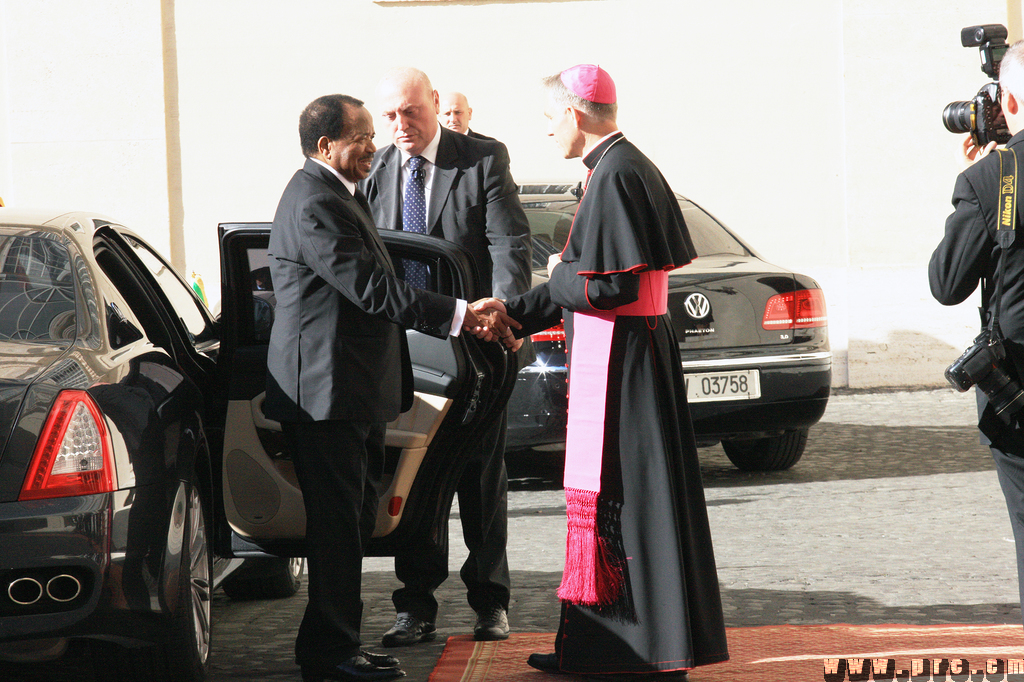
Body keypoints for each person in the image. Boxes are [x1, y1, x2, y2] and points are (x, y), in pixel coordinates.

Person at [476, 64, 729, 680]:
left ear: (574, 114)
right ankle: (596, 646)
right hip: (628, 352)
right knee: (620, 498)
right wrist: (513, 311)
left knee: (629, 499)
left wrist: (558, 269)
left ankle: (642, 649)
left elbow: (606, 284)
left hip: (627, 363)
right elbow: (585, 281)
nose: (545, 132)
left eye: (547, 118)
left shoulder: (617, 174)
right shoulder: (615, 168)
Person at [265, 94, 507, 682]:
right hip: (326, 399)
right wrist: (461, 315)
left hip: (350, 395)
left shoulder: (337, 195)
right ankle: (329, 654)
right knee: (335, 532)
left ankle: (339, 642)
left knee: (350, 525)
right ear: (326, 146)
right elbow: (373, 289)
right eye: (363, 136)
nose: (375, 145)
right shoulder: (314, 202)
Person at [361, 67, 532, 646]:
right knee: (418, 474)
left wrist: (509, 315)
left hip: (476, 345)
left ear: (435, 103)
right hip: (406, 350)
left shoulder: (481, 160)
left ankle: (490, 602)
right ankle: (416, 606)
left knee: (481, 475)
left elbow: (508, 241)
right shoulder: (377, 171)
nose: (400, 125)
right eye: (389, 116)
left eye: (410, 111)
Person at [930, 40, 1024, 631]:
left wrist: (982, 179)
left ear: (1008, 100)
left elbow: (947, 283)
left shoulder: (993, 180)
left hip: (1017, 393)